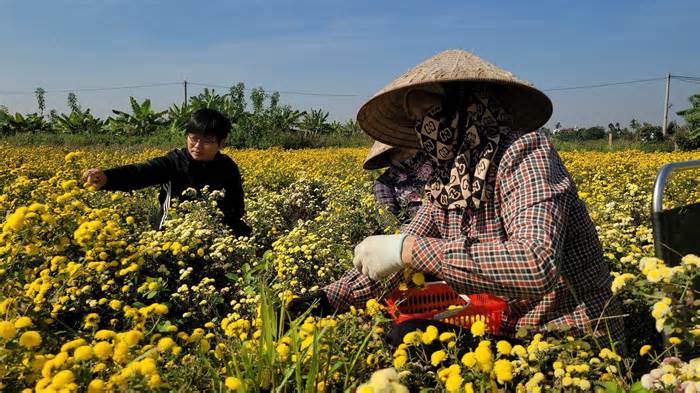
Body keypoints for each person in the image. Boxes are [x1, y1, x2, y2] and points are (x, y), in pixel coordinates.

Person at [287, 49, 624, 347]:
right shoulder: (448, 180)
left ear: (468, 103)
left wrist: (407, 250)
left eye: (431, 113)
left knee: (411, 338)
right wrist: (324, 300)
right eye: (418, 122)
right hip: (508, 330)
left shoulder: (524, 153)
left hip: (567, 339)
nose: (426, 130)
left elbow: (536, 264)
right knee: (402, 333)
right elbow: (409, 240)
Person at [83, 108, 251, 237]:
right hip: (172, 232)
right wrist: (107, 178)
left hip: (215, 232)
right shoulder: (174, 162)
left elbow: (236, 205)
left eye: (207, 141)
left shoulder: (228, 167)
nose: (197, 146)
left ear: (221, 143)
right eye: (193, 138)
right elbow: (140, 172)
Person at [365, 141, 434, 223]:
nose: (406, 154)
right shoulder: (383, 183)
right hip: (413, 232)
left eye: (407, 146)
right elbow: (389, 222)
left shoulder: (435, 165)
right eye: (398, 151)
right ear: (389, 157)